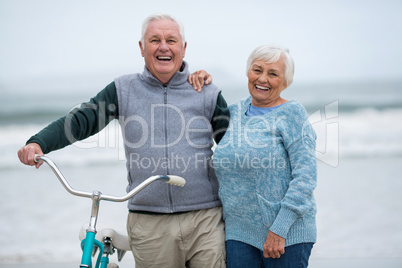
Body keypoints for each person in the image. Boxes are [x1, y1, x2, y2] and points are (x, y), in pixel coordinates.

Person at [18, 13, 229, 268]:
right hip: (150, 222)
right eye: (155, 40)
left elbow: (234, 147)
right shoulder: (123, 89)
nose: (164, 46)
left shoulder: (206, 91)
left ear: (183, 48)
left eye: (171, 40)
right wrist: (39, 143)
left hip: (205, 220)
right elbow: (81, 120)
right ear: (142, 48)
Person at [190, 44, 317, 268]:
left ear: (285, 82)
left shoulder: (292, 114)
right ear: (248, 72)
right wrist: (197, 83)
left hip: (285, 235)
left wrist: (280, 229)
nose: (263, 79)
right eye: (257, 70)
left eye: (273, 74)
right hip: (238, 234)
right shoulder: (233, 112)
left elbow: (305, 177)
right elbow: (195, 119)